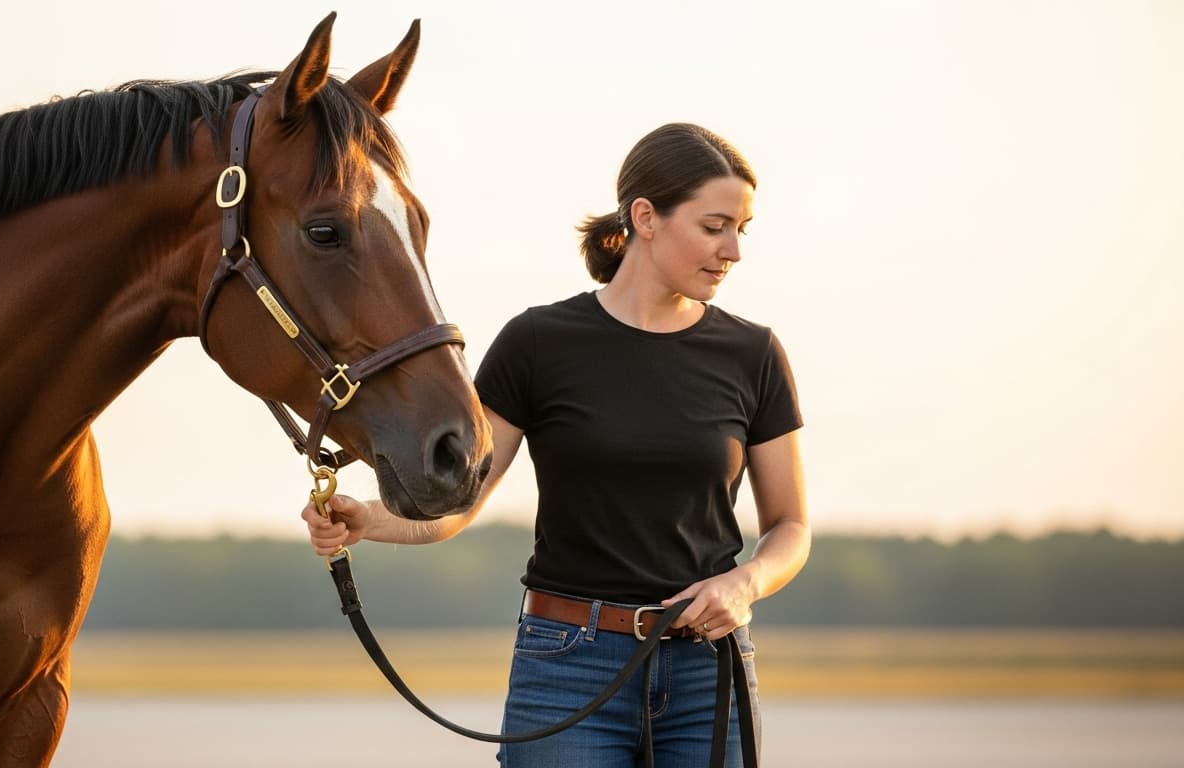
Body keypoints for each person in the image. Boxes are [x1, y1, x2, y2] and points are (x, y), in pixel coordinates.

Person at [302, 122, 809, 767]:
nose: (732, 249)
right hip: (568, 665)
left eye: (742, 229)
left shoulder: (754, 354)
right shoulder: (538, 343)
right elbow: (463, 498)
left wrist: (745, 584)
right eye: (715, 227)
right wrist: (368, 520)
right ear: (645, 218)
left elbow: (791, 526)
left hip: (709, 675)